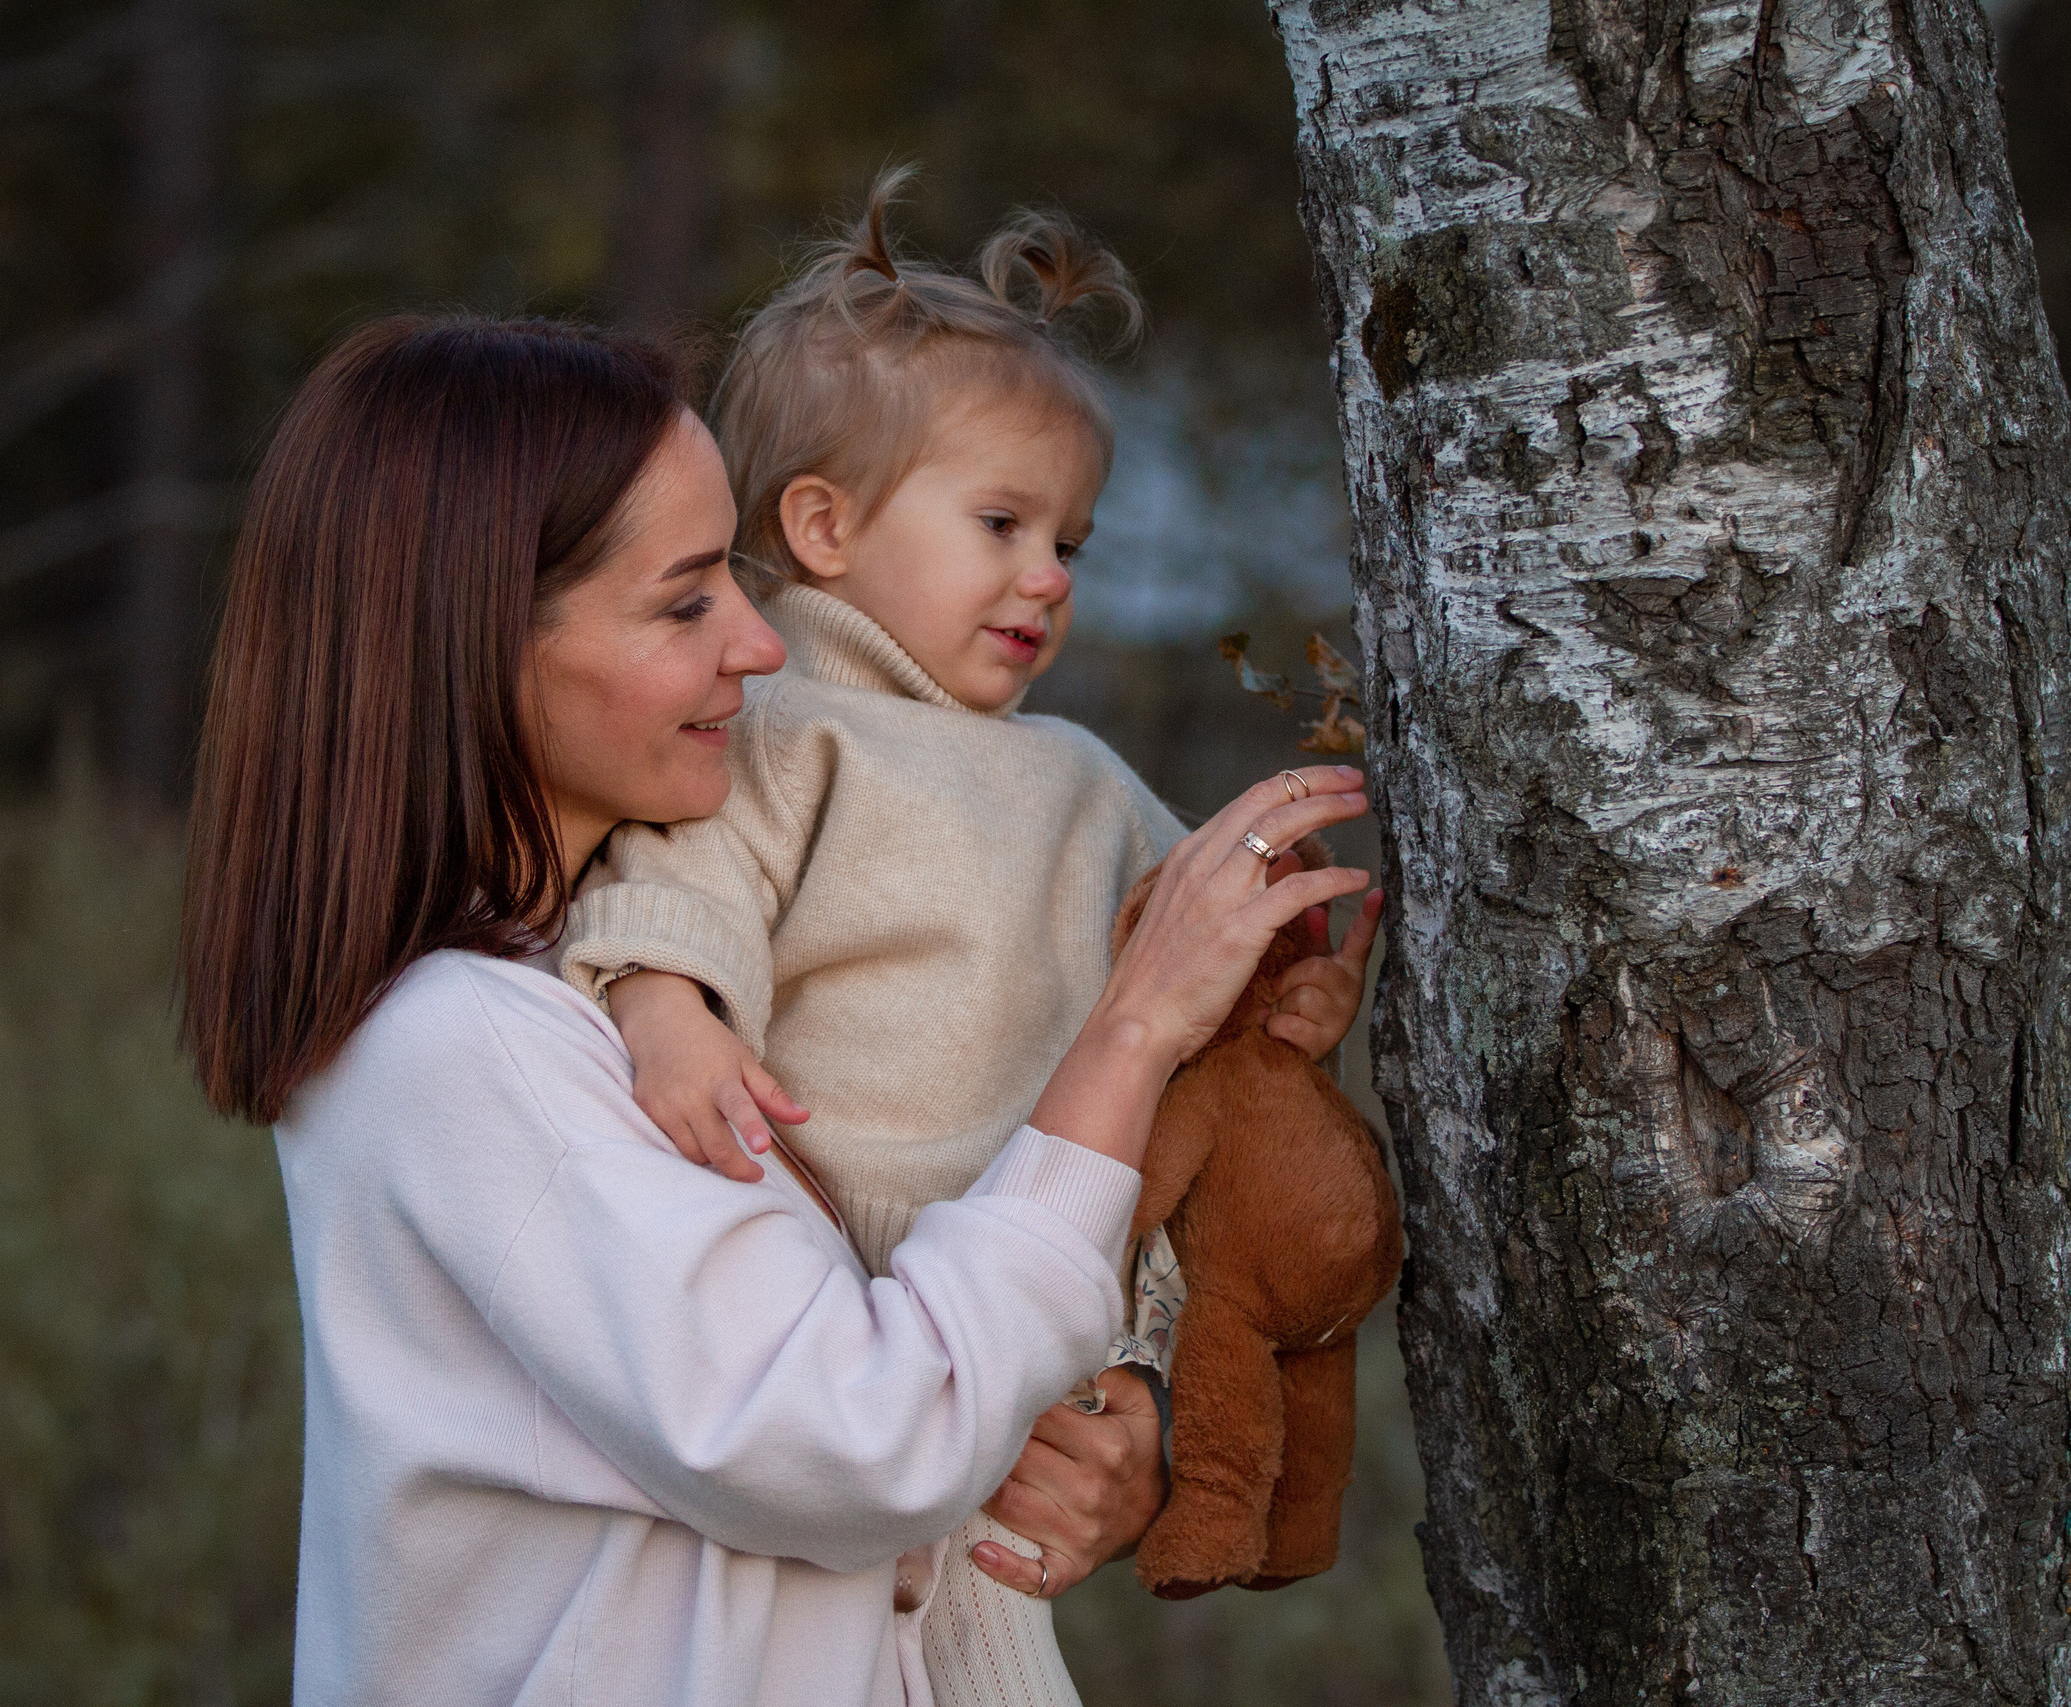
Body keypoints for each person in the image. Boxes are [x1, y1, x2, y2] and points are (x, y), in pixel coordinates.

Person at [180, 314, 1373, 1706]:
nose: (762, 644)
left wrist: (1106, 1451)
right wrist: (1131, 1032)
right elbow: (858, 1437)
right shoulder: (466, 1044)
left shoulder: (680, 988)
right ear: (479, 635)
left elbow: (890, 1416)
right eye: (687, 602)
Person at [556, 175, 1385, 1705]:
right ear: (824, 525)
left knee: (993, 1631)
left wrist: (1291, 996)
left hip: (1034, 1301)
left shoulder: (1081, 777)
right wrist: (667, 1005)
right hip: (845, 1298)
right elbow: (675, 883)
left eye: (1070, 537)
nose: (1051, 575)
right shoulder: (779, 732)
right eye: (1000, 523)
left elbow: (1182, 944)